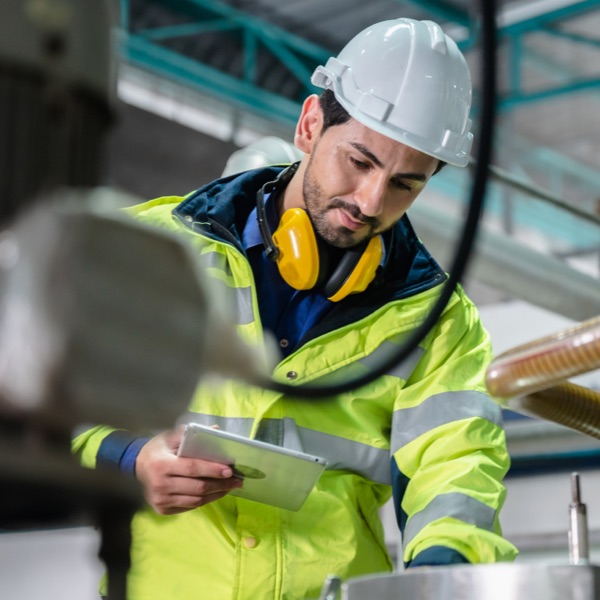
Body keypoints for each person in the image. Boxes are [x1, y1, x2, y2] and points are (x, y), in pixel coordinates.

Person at [72, 18, 518, 600]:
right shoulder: (150, 250)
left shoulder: (437, 323)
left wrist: (444, 573)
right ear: (310, 125)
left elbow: (458, 472)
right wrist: (127, 458)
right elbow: (39, 399)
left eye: (406, 183)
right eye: (359, 162)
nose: (371, 201)